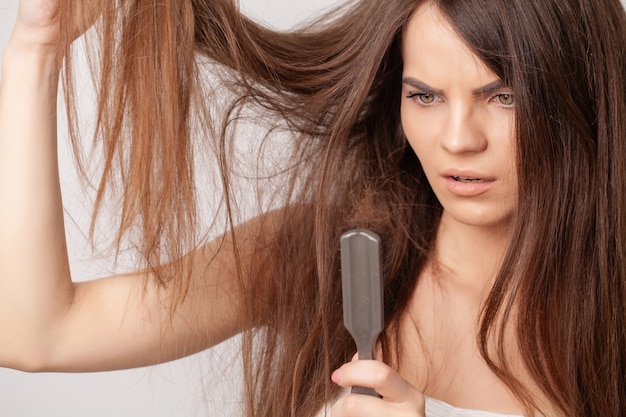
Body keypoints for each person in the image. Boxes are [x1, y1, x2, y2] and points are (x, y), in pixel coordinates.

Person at [1, 0, 625, 416]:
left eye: (504, 96)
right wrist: (36, 49)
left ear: (583, 93)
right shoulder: (323, 258)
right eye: (425, 96)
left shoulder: (610, 303)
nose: (459, 139)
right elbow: (34, 334)